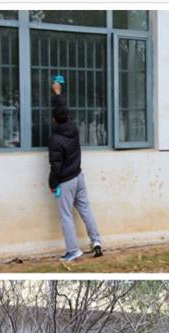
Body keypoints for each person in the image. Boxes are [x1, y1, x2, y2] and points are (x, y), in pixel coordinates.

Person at [48, 80, 103, 262]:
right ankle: (96, 241)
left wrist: (52, 183)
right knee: (85, 209)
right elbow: (63, 110)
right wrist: (58, 93)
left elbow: (56, 166)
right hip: (79, 176)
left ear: (54, 120)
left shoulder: (55, 139)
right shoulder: (73, 127)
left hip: (66, 181)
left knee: (66, 216)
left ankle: (73, 250)